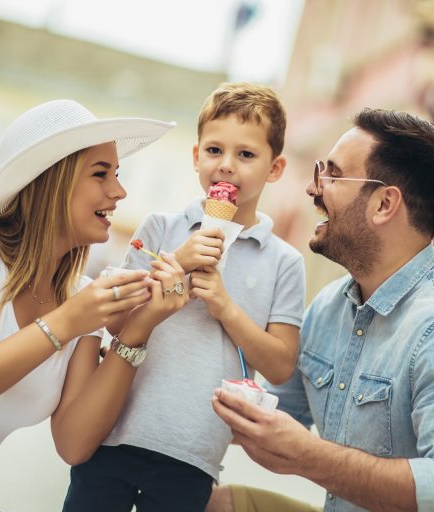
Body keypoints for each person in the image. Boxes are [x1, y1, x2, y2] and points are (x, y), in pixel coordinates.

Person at [0, 99, 189, 512]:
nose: (119, 191)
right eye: (101, 174)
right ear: (51, 181)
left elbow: (73, 442)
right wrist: (68, 321)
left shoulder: (82, 298)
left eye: (117, 175)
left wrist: (139, 328)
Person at [210, 108, 434, 512]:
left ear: (384, 204)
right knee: (202, 502)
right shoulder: (331, 305)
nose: (313, 188)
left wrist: (309, 457)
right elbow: (271, 415)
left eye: (332, 175)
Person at [63, 82, 306, 512]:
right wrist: (176, 260)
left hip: (194, 455)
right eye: (214, 150)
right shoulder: (160, 228)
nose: (226, 166)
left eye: (246, 155)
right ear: (196, 156)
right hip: (116, 431)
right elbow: (116, 320)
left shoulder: (284, 261)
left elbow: (281, 365)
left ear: (275, 168)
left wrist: (226, 308)